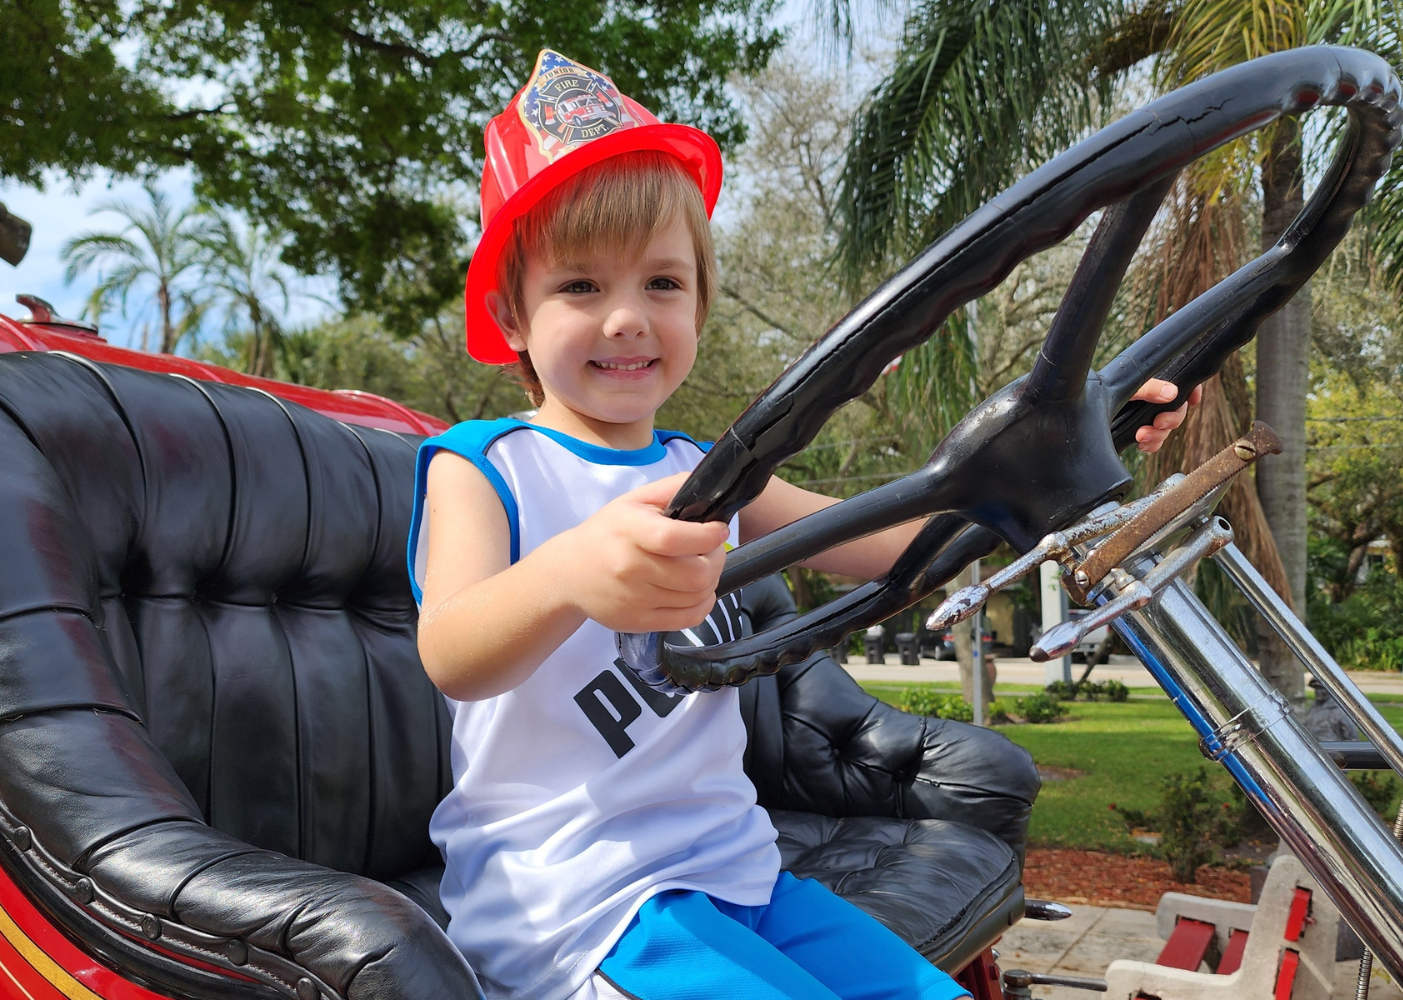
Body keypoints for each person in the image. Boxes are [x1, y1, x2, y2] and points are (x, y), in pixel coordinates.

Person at [407, 49, 1198, 1000]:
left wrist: (1059, 448)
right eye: (580, 287)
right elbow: (453, 652)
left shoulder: (706, 474)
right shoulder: (483, 466)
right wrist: (569, 573)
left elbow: (892, 539)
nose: (627, 319)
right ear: (512, 313)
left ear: (699, 301)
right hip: (578, 901)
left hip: (736, 872)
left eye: (662, 284)